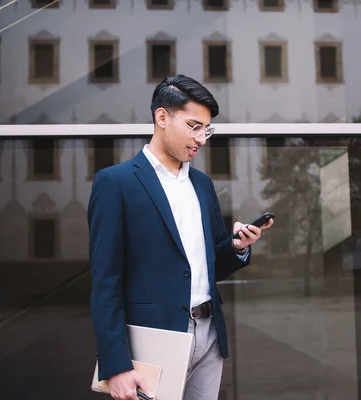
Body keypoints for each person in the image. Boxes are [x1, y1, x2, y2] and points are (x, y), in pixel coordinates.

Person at [87, 74, 273, 400]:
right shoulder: (115, 183)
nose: (201, 138)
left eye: (206, 129)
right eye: (193, 126)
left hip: (210, 336)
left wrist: (237, 247)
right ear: (162, 117)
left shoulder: (202, 184)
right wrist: (115, 365)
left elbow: (211, 264)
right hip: (153, 339)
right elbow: (105, 282)